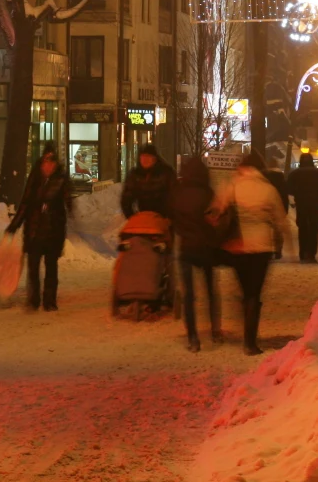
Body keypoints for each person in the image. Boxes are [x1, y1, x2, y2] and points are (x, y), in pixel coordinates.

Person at [212, 151, 289, 356]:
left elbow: (218, 210)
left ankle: (245, 327)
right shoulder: (268, 189)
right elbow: (280, 220)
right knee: (254, 293)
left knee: (244, 289)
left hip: (238, 247)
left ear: (242, 167)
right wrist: (281, 245)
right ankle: (250, 342)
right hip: (262, 247)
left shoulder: (233, 185)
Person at [7, 143, 74, 312]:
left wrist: (69, 207)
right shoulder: (35, 178)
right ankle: (33, 300)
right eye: (46, 161)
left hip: (53, 230)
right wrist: (15, 224)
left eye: (51, 161)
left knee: (51, 266)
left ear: (56, 163)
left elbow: (68, 202)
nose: (48, 165)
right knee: (33, 267)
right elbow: (25, 203)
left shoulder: (61, 179)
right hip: (34, 229)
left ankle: (49, 301)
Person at [168, 156, 221, 352]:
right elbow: (216, 217)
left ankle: (193, 337)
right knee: (210, 291)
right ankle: (215, 330)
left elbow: (171, 217)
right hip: (206, 247)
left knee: (189, 295)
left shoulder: (178, 193)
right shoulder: (208, 193)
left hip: (186, 247)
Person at [287, 152, 318, 263]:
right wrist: (317, 188)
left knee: (302, 227)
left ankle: (303, 253)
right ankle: (311, 253)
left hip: (301, 202)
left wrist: (297, 192)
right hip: (314, 202)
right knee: (314, 227)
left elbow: (288, 188)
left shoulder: (295, 174)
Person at [121, 143, 175, 218]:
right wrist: (132, 217)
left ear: (155, 158)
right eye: (143, 157)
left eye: (148, 157)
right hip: (144, 216)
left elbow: (174, 196)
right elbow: (126, 199)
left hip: (163, 217)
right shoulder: (135, 175)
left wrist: (169, 217)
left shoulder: (166, 173)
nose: (145, 160)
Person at [265, 167, 291, 260]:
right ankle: (278, 250)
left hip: (267, 209)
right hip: (279, 210)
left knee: (267, 230)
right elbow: (285, 199)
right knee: (278, 231)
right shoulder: (283, 185)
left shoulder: (267, 185)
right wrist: (285, 211)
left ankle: (267, 250)